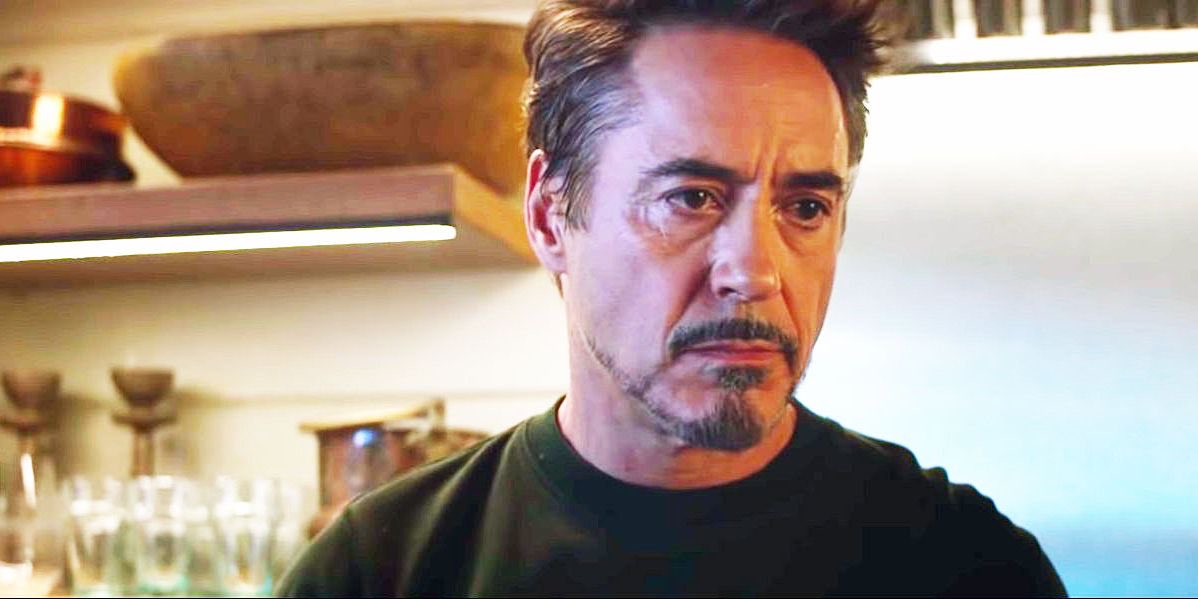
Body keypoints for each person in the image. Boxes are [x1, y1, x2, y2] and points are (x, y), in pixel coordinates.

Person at [277, 1, 1067, 596]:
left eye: (805, 207)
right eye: (691, 198)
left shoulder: (964, 564)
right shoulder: (380, 571)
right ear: (550, 216)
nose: (755, 272)